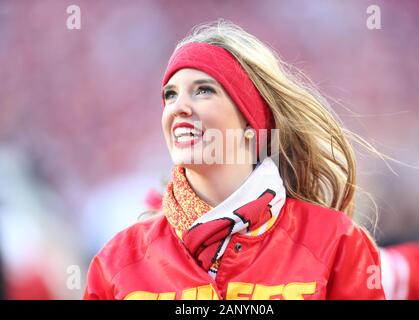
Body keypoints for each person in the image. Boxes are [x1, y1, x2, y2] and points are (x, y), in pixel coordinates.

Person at [84, 20, 385, 300]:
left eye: (203, 90)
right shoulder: (118, 261)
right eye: (170, 95)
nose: (179, 108)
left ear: (251, 124)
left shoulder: (335, 241)